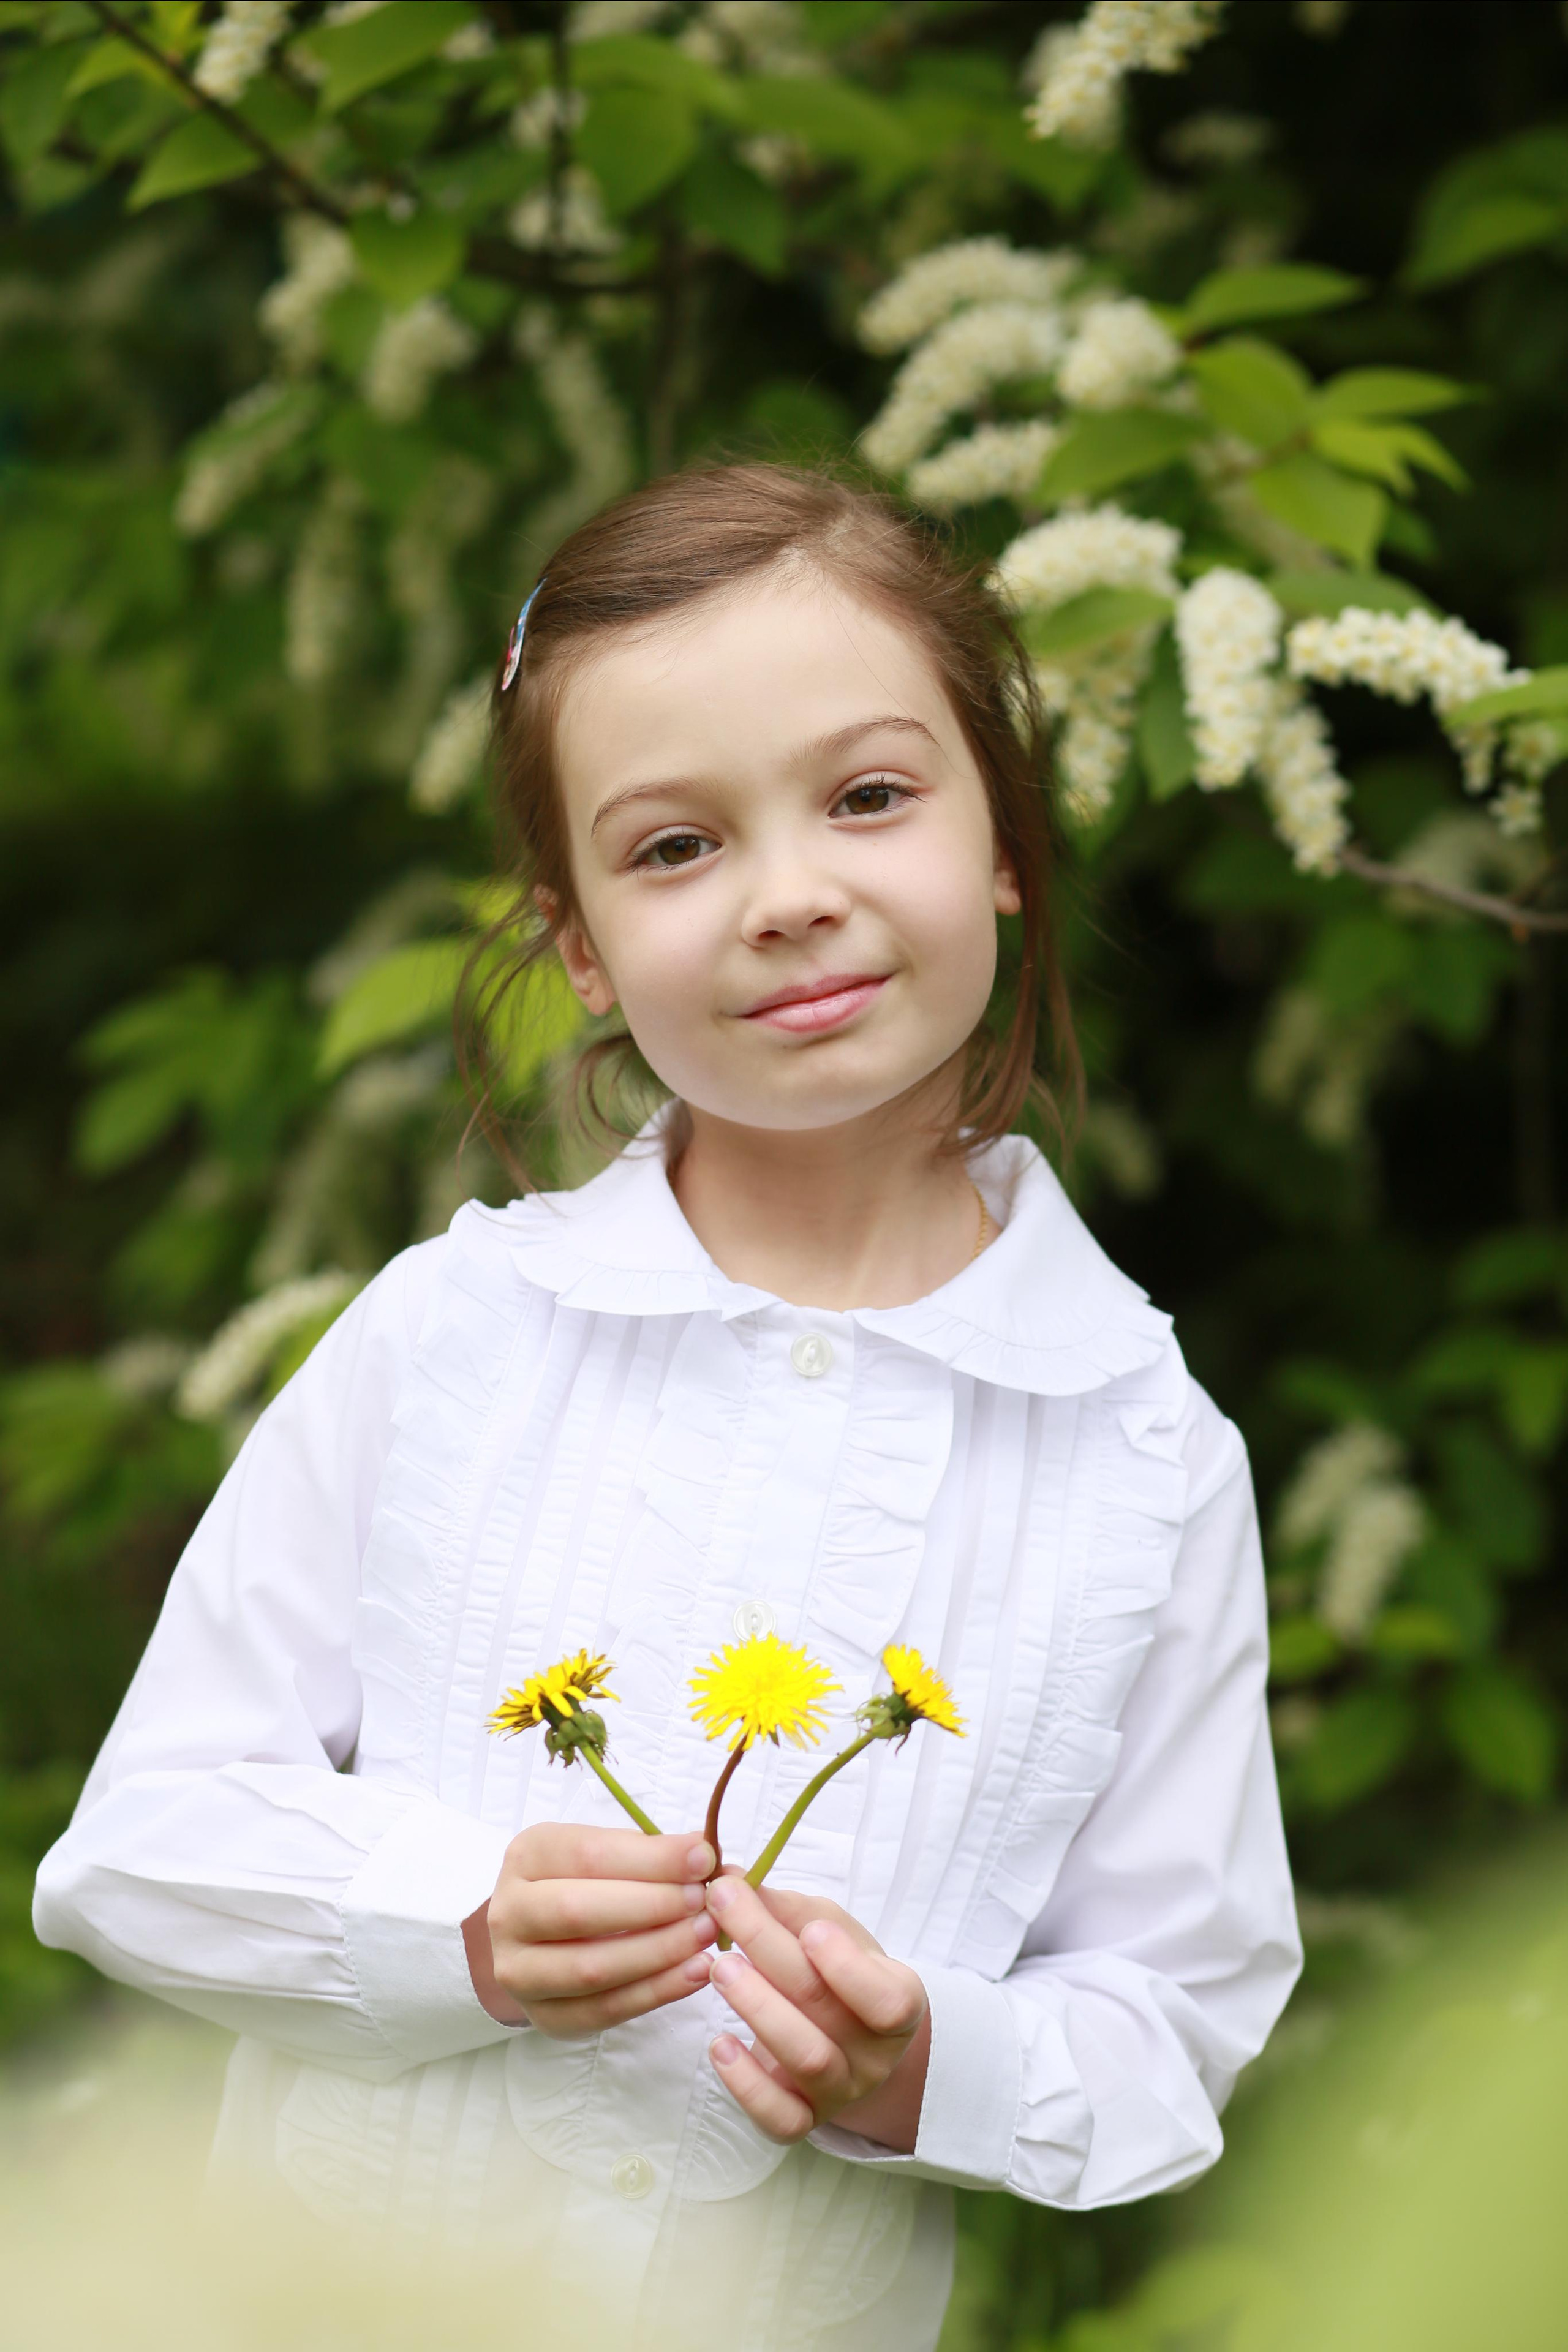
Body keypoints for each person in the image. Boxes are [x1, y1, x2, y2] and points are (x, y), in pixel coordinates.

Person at [34, 463, 1300, 2351]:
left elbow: (1173, 2016)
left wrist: (927, 2062)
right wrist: (450, 1923)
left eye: (869, 798)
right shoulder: (455, 1336)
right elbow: (138, 1848)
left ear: (1007, 834)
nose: (791, 899)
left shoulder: (1139, 1451)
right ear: (579, 945)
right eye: (674, 848)